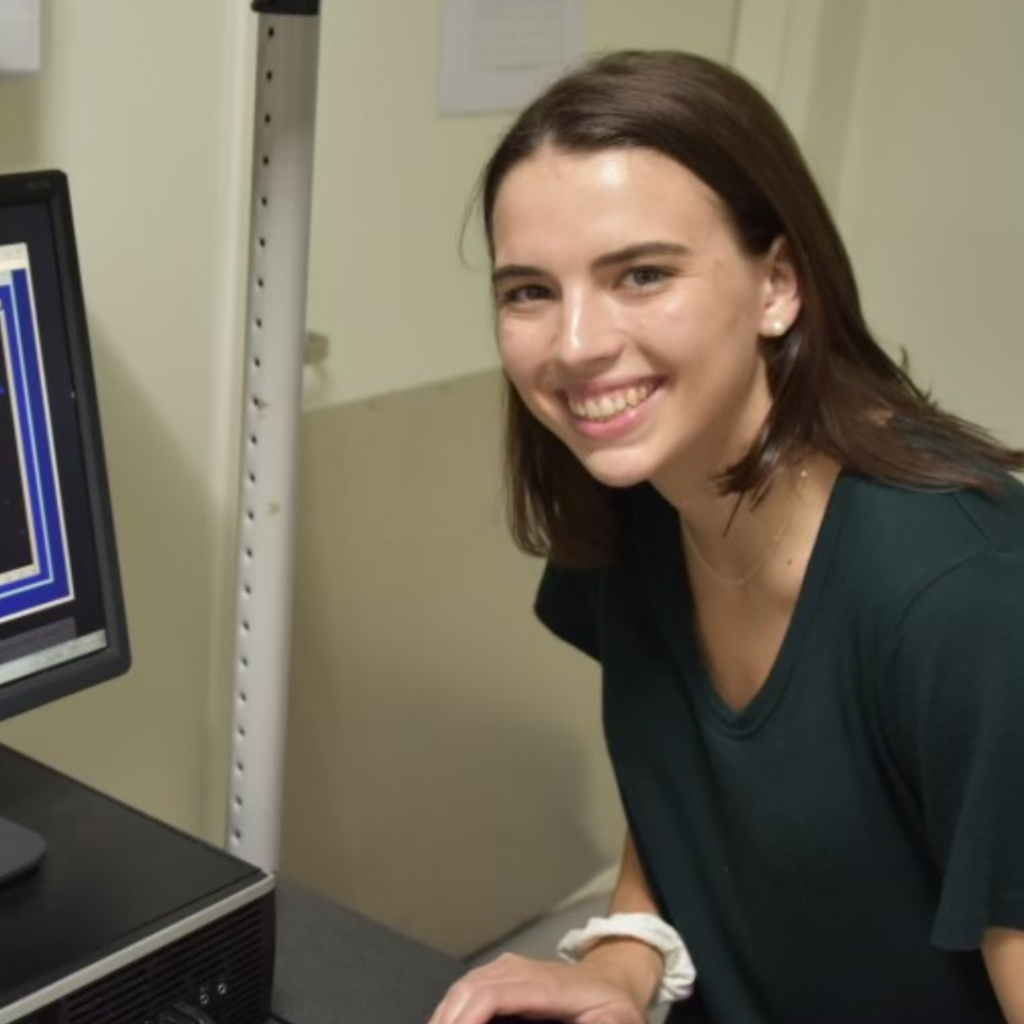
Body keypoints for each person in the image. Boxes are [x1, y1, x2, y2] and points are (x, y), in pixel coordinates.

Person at [428, 50, 1024, 1024]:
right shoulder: (641, 494)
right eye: (529, 290)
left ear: (778, 283)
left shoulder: (967, 596)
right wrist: (623, 960)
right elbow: (688, 790)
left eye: (641, 274)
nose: (575, 343)